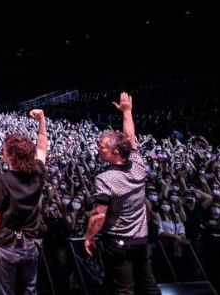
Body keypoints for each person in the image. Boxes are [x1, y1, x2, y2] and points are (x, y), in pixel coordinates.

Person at [84, 92, 160, 295]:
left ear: (115, 152)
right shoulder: (138, 164)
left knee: (123, 288)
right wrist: (127, 112)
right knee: (148, 284)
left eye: (102, 147)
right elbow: (130, 138)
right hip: (141, 239)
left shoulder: (105, 179)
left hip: (118, 242)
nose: (98, 149)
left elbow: (99, 215)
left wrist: (89, 237)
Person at [0, 109, 48, 295]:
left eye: (4, 150)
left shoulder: (0, 181)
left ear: (11, 156)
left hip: (6, 244)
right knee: (30, 290)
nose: (2, 152)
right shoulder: (38, 173)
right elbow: (42, 148)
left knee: (6, 291)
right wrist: (42, 121)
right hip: (30, 243)